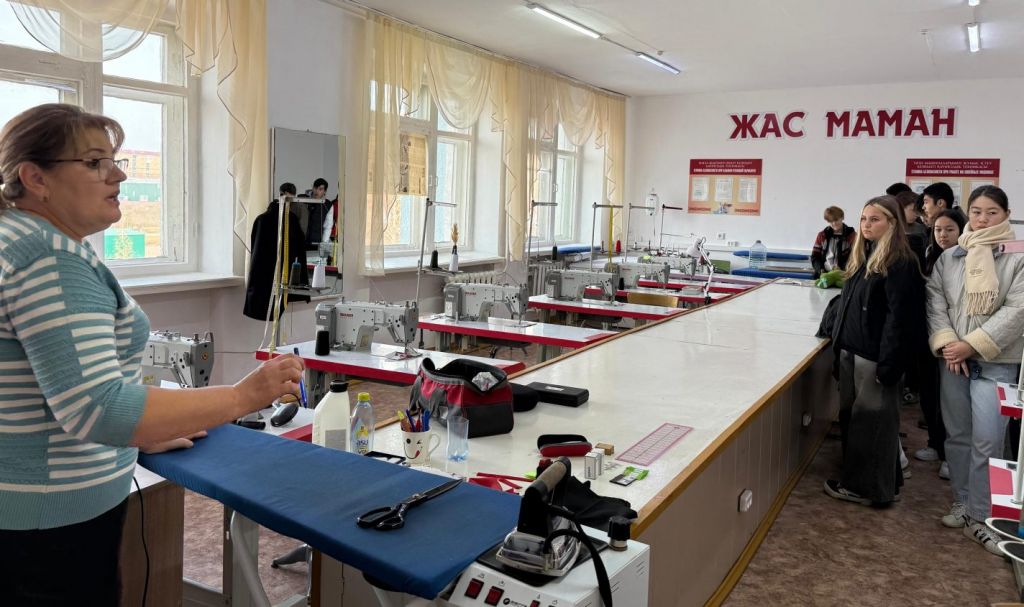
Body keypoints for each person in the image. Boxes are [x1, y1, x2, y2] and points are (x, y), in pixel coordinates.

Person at [0, 103, 305, 603]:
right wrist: (244, 396)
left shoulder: (19, 239)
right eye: (94, 162)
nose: (118, 175)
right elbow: (99, 407)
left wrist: (139, 431)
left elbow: (47, 387)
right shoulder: (50, 258)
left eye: (114, 160)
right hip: (46, 525)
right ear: (36, 178)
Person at [926, 185, 1024, 555]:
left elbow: (1017, 309)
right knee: (958, 435)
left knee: (988, 439)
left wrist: (972, 344)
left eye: (992, 212)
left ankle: (983, 519)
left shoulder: (1017, 255)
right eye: (977, 212)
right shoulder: (951, 257)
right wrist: (949, 344)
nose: (983, 219)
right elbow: (936, 302)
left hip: (996, 362)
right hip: (953, 360)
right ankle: (964, 501)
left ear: (1006, 214)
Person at [824, 195, 925, 506]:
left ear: (892, 223)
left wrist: (890, 364)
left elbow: (901, 320)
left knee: (873, 424)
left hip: (875, 358)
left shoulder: (900, 263)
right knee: (855, 421)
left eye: (875, 219)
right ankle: (878, 483)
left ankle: (867, 490)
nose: (867, 225)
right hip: (852, 351)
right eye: (864, 219)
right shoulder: (864, 257)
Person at [912, 209, 966, 478]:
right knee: (930, 394)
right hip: (928, 337)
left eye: (949, 229)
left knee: (951, 403)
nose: (942, 235)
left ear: (961, 231)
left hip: (953, 340)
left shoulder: (966, 259)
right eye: (938, 230)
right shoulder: (929, 255)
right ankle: (935, 443)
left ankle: (950, 456)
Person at [243, 182, 310, 320]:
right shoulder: (289, 220)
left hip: (267, 280)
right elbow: (300, 251)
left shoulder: (262, 220)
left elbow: (255, 255)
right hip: (281, 278)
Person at [810, 206, 856, 279]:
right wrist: (820, 269)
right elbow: (815, 257)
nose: (834, 223)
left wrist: (842, 268)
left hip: (844, 275)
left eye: (836, 220)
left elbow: (855, 257)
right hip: (823, 275)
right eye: (831, 221)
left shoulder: (852, 235)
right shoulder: (822, 235)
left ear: (842, 217)